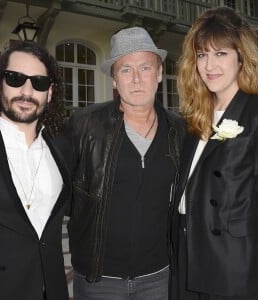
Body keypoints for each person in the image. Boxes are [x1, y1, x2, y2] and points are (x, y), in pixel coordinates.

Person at [65, 26, 185, 300]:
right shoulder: (85, 125)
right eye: (126, 70)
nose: (136, 79)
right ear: (115, 81)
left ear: (158, 75)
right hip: (99, 280)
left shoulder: (179, 130)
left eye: (145, 68)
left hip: (159, 277)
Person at [171, 6, 258, 300]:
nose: (209, 65)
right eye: (202, 55)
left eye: (221, 54)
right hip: (187, 259)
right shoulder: (193, 119)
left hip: (234, 268)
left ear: (241, 58)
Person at [0, 41, 71, 300]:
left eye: (39, 82)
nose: (27, 91)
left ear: (50, 93)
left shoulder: (62, 150)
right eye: (15, 79)